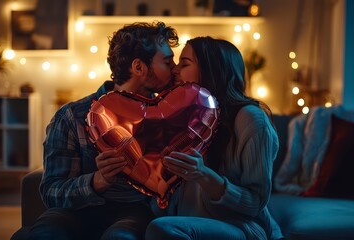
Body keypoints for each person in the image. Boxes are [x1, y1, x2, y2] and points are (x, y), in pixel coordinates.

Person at [27, 21, 179, 240]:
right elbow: (51, 191)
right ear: (139, 68)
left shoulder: (171, 118)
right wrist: (97, 181)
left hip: (132, 213)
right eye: (167, 61)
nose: (174, 68)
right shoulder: (73, 116)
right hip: (73, 212)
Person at [145, 37, 283, 240]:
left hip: (241, 227)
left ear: (212, 70)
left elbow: (255, 202)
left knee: (162, 229)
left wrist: (202, 174)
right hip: (187, 224)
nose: (175, 70)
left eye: (184, 64)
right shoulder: (185, 120)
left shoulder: (250, 119)